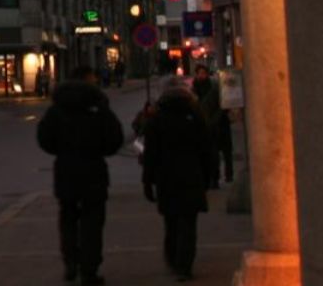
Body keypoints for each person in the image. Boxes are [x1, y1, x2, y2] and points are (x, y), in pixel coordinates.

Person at [37, 65, 126, 284]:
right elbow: (115, 138)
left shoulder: (57, 108)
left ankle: (70, 263)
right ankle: (89, 269)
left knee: (67, 218)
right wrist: (99, 150)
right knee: (92, 222)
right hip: (93, 170)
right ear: (89, 79)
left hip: (65, 170)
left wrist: (62, 151)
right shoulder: (98, 105)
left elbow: (44, 138)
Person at [142, 86, 213, 282]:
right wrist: (208, 176)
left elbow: (150, 154)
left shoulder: (157, 120)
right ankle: (185, 265)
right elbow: (206, 149)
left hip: (166, 177)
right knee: (188, 222)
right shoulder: (195, 117)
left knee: (171, 221)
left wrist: (147, 181)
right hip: (191, 175)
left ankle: (173, 258)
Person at [189, 64, 222, 188]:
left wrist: (214, 120)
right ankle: (205, 178)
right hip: (198, 127)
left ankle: (215, 178)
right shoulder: (192, 90)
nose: (201, 75)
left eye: (203, 73)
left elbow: (220, 107)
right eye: (199, 73)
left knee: (213, 154)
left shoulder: (213, 89)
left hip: (212, 126)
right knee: (201, 154)